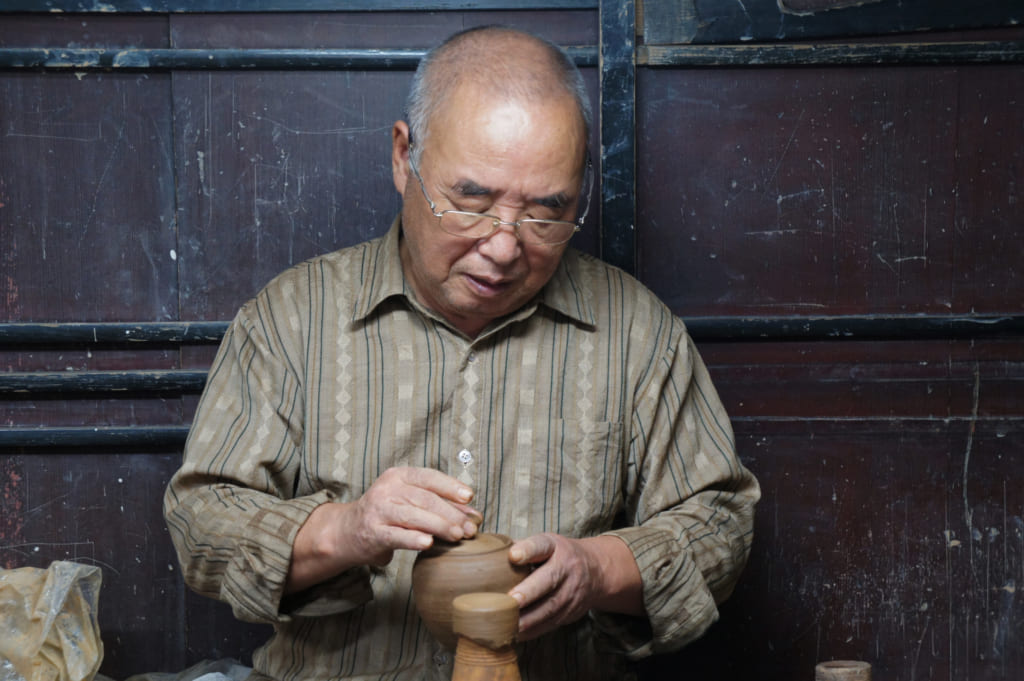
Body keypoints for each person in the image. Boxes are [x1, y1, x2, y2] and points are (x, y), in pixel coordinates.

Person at [164, 25, 759, 681]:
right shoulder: (291, 318)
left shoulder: (636, 329)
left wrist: (599, 569)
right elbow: (201, 523)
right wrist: (348, 530)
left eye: (545, 213)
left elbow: (721, 524)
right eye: (471, 202)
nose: (504, 247)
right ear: (403, 157)